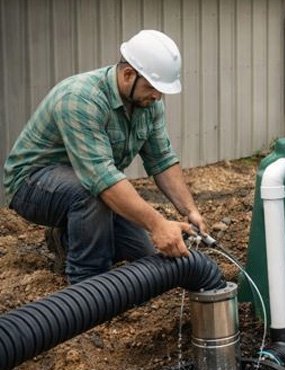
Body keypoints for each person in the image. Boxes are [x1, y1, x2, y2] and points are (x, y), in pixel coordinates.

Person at [3, 29, 206, 285]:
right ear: (128, 74)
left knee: (141, 252)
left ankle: (66, 237)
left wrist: (190, 210)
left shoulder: (148, 103)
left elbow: (162, 159)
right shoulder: (81, 98)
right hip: (33, 184)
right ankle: (86, 282)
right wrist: (157, 224)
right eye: (153, 87)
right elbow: (101, 179)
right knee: (90, 193)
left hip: (90, 183)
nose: (158, 96)